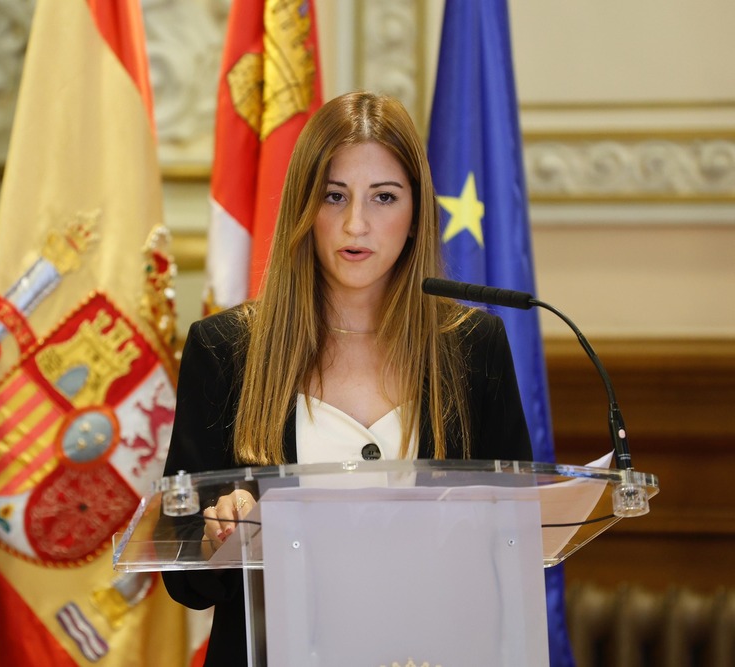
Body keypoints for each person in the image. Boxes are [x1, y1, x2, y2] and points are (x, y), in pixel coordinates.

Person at [161, 91, 532, 666]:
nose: (356, 223)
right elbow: (182, 575)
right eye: (334, 196)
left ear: (415, 214)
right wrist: (217, 538)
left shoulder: (472, 347)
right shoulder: (226, 350)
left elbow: (516, 542)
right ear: (304, 209)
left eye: (384, 197)